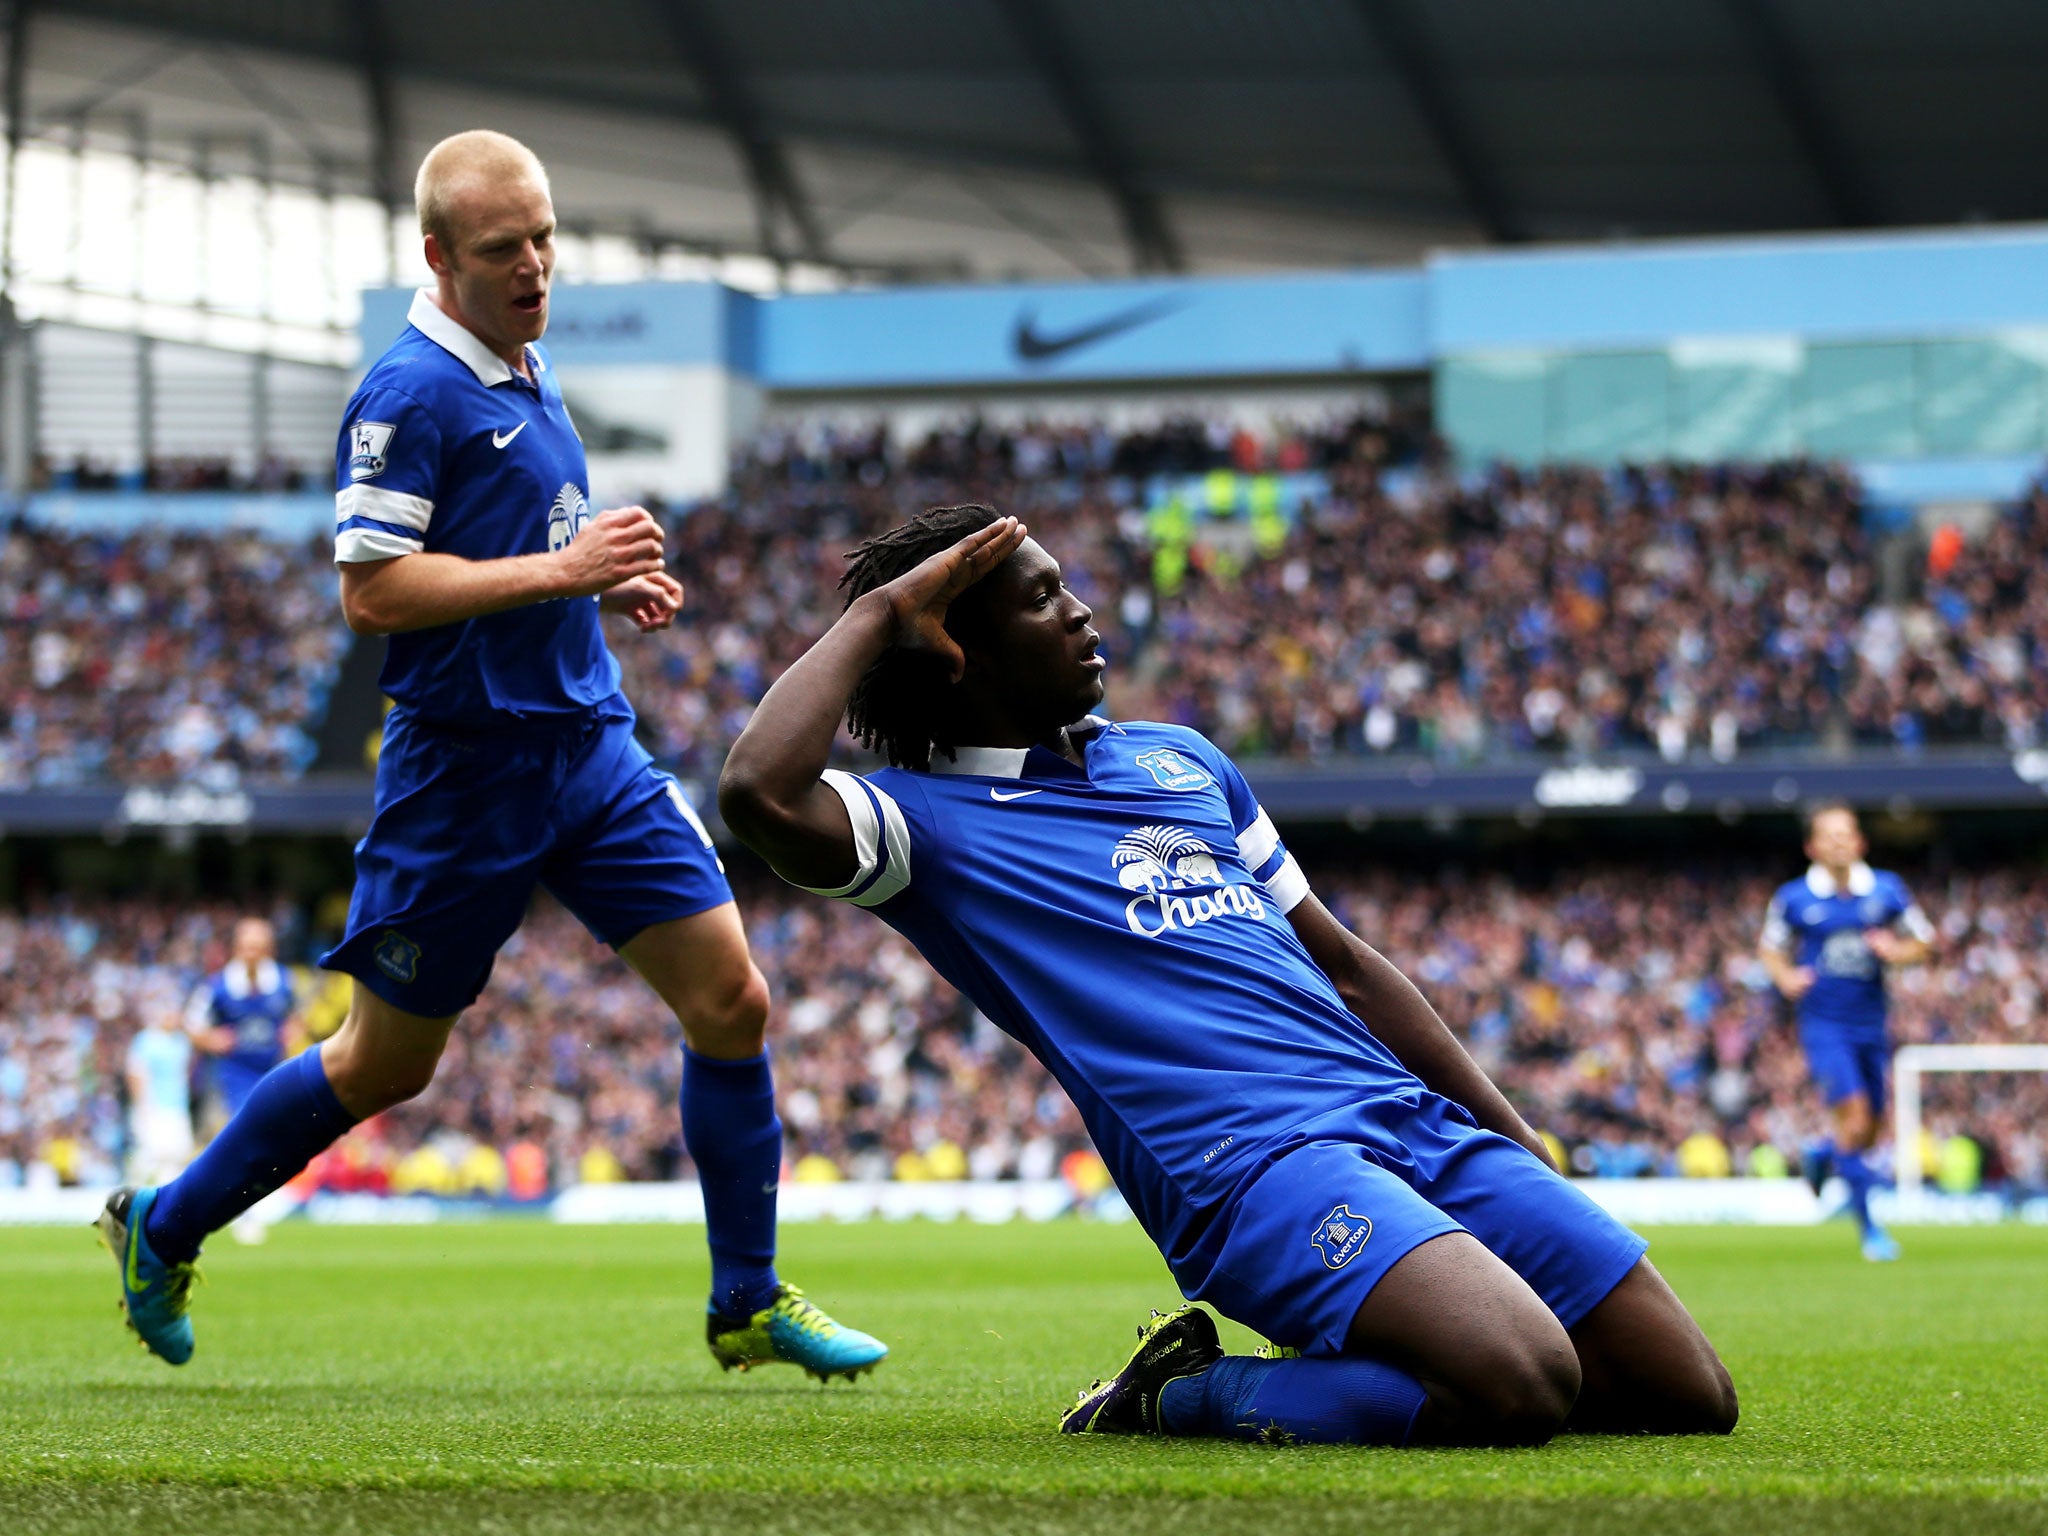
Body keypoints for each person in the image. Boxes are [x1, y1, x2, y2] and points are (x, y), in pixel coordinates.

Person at [96, 128, 884, 1384]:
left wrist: (595, 594)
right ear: (438, 257)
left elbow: (524, 544)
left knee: (732, 999)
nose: (534, 266)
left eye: (544, 238)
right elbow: (373, 590)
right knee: (384, 1065)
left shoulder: (526, 365)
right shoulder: (407, 394)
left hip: (587, 749)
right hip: (461, 779)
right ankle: (164, 1224)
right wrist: (562, 572)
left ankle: (745, 1300)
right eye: (503, 248)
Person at [717, 504, 1736, 1447]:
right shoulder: (923, 827)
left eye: (1063, 585)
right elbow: (757, 791)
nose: (1078, 611)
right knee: (1514, 1384)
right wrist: (883, 611)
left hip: (1405, 1120)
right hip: (1251, 1169)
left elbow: (1344, 966)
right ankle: (1181, 1391)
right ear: (953, 653)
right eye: (1038, 599)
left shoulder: (1180, 761)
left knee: (1687, 1398)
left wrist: (1511, 1141)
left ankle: (1374, 1345)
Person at [1758, 802, 1933, 1262]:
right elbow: (1771, 948)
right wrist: (1785, 978)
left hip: (1872, 1024)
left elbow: (1924, 940)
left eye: (1845, 834)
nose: (1838, 842)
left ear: (1860, 842)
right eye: (1828, 835)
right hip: (1824, 1025)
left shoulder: (1886, 890)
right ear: (1812, 846)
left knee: (1870, 1131)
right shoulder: (1795, 898)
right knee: (1854, 1117)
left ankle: (1823, 1154)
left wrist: (1897, 952)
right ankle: (1871, 1230)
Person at [185, 917, 297, 1244]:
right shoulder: (217, 987)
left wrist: (291, 1034)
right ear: (236, 948)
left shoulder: (283, 982)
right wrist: (211, 1039)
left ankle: (244, 1205)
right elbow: (192, 1026)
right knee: (240, 1142)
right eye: (248, 946)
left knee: (268, 1147)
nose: (253, 953)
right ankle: (240, 1211)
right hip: (230, 1078)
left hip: (271, 1075)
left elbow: (296, 1018)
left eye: (260, 947)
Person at [126, 1004, 195, 1188]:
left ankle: (165, 1196)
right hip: (154, 1105)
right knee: (150, 1154)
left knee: (176, 1154)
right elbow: (135, 1073)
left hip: (177, 1105)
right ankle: (133, 1192)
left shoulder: (181, 1042)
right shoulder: (146, 1040)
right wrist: (142, 1106)